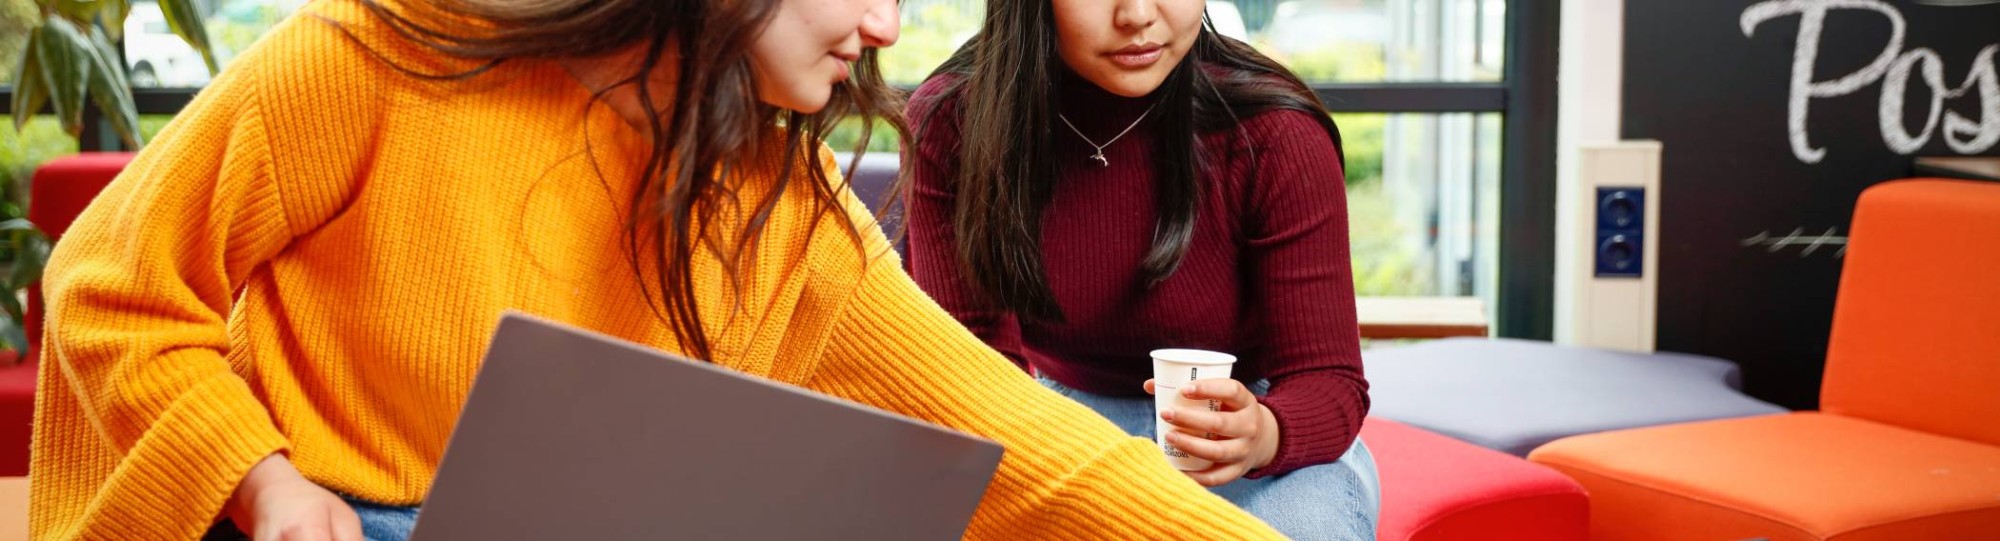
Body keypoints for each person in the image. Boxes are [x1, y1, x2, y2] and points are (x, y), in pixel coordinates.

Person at [26, 1, 1291, 539]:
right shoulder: (380, 55)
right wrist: (266, 484)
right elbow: (107, 282)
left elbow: (1027, 441)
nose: (890, 29)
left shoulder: (780, 205)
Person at [901, 0, 1381, 538]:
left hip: (1252, 436)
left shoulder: (1273, 130)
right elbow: (976, 373)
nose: (1136, 15)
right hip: (1055, 422)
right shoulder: (955, 120)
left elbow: (1327, 382)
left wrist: (1260, 433)